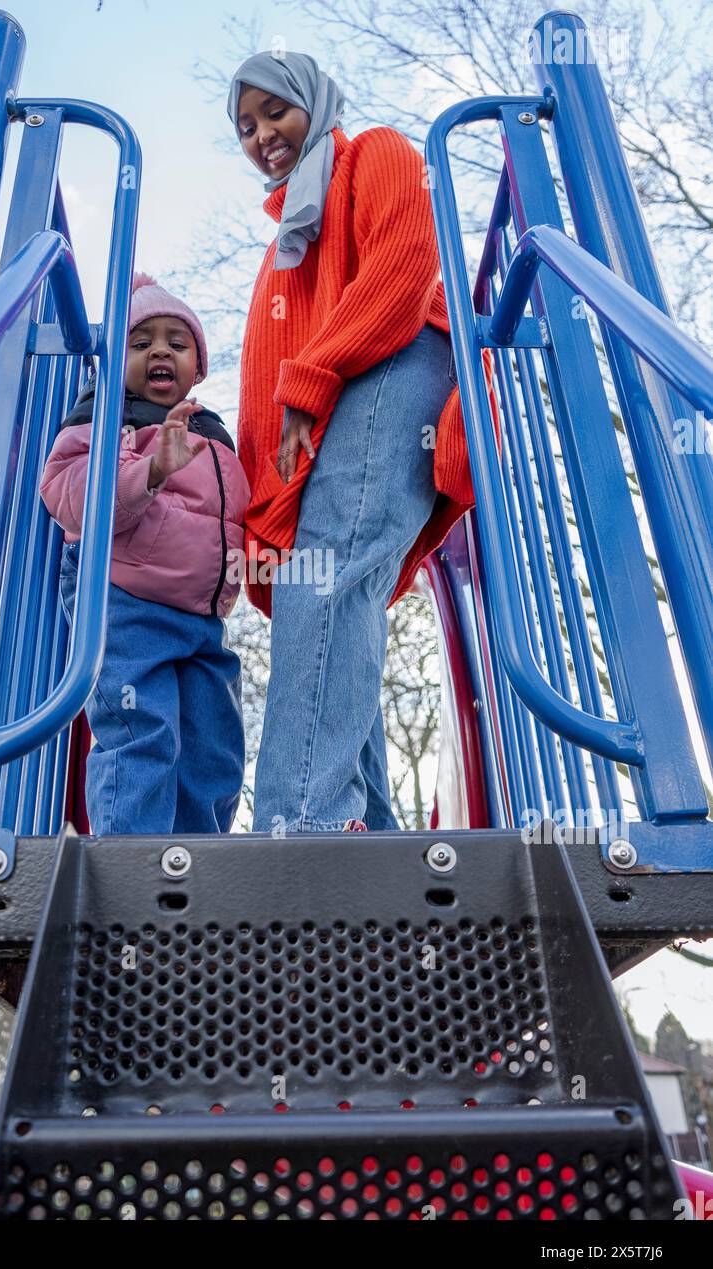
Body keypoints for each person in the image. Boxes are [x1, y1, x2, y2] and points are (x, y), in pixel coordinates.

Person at [228, 51, 495, 835]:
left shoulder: (373, 152)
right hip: (344, 391)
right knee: (339, 594)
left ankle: (303, 819)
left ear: (317, 101)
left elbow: (406, 263)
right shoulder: (289, 237)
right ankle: (363, 823)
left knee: (334, 573)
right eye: (245, 126)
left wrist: (313, 378)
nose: (262, 134)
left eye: (275, 110)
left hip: (396, 357)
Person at [39, 274, 249, 835]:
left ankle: (194, 864)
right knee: (141, 728)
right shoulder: (106, 417)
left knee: (215, 744)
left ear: (197, 368)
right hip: (126, 601)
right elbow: (69, 493)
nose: (160, 350)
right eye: (142, 341)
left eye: (177, 343)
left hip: (201, 621)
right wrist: (149, 472)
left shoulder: (212, 432)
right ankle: (132, 863)